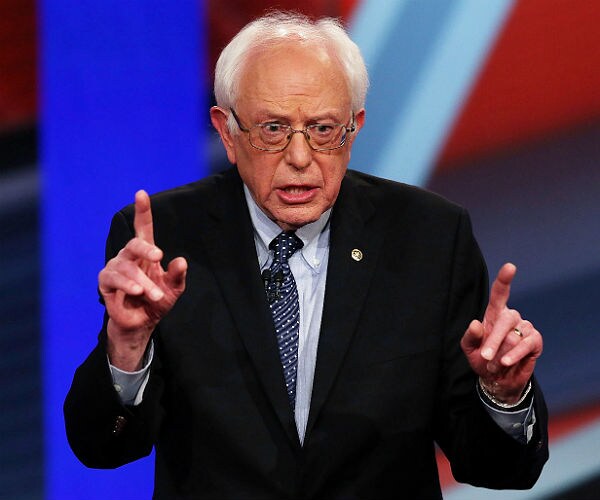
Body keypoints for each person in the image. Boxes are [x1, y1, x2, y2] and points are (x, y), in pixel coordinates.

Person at [64, 11, 548, 499]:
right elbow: (103, 448)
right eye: (273, 129)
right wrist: (127, 349)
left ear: (353, 130)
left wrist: (502, 397)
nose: (299, 158)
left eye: (322, 129)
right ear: (227, 132)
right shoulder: (163, 243)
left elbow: (498, 468)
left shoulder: (429, 238)